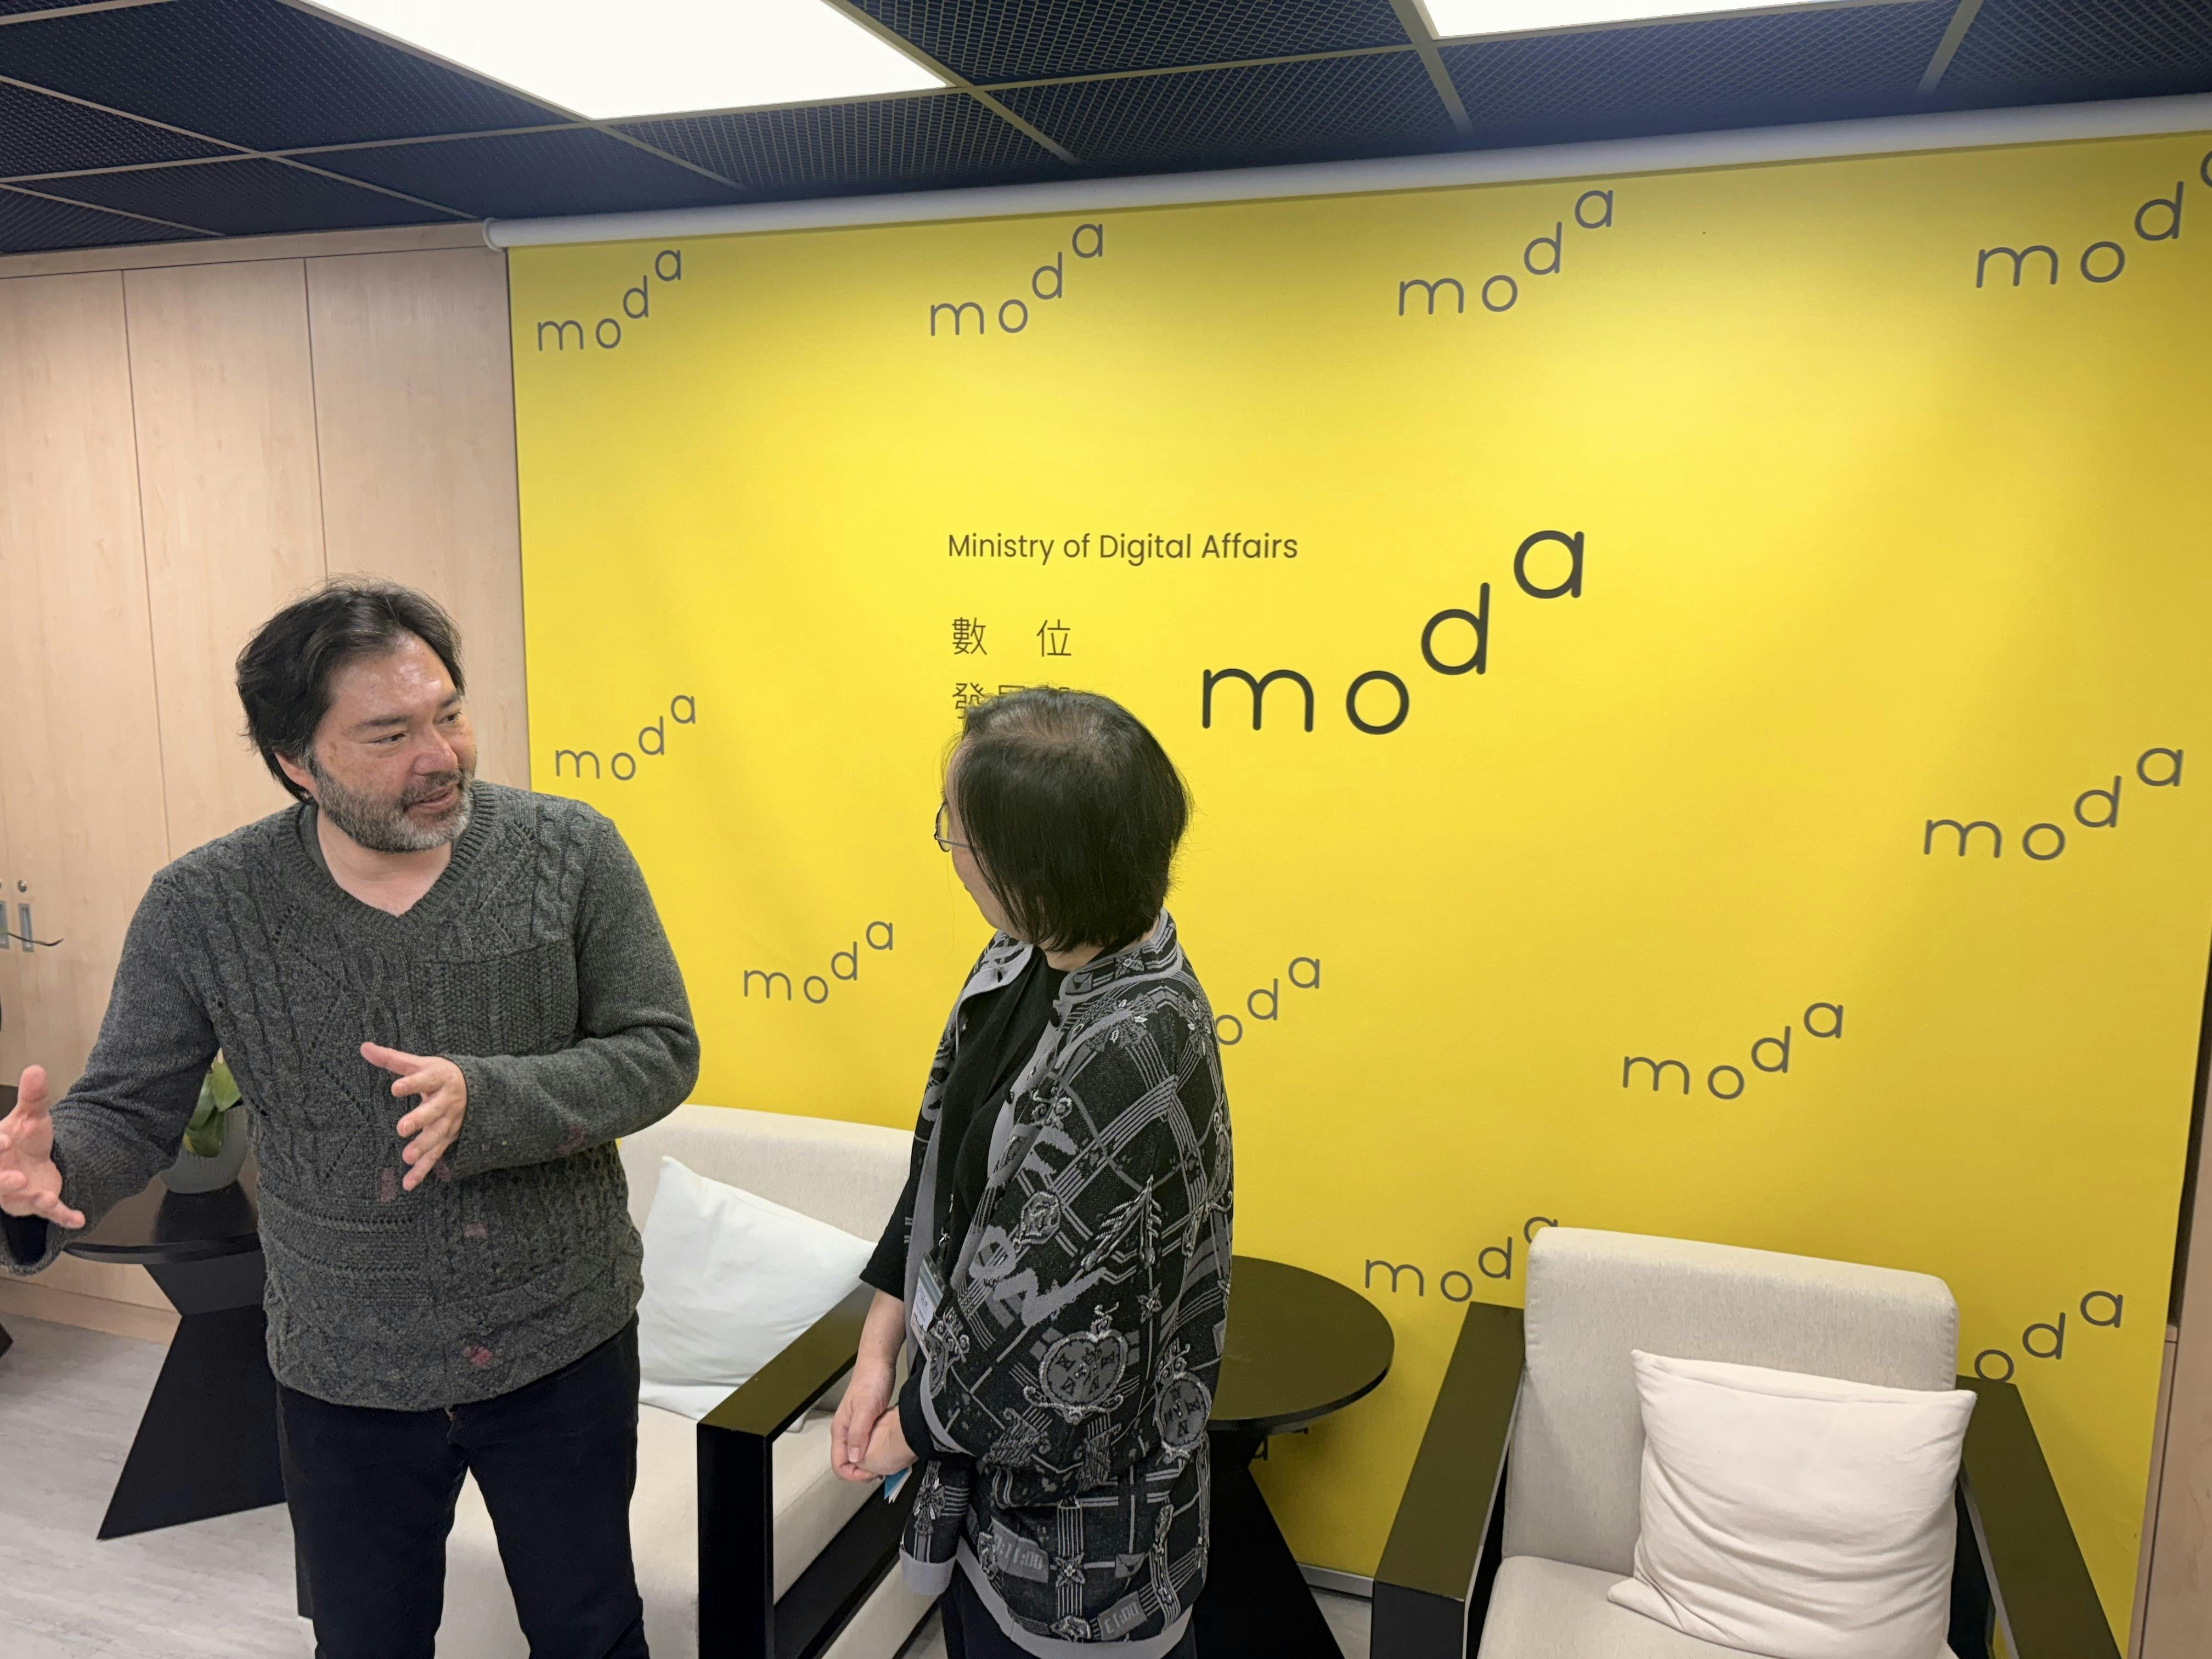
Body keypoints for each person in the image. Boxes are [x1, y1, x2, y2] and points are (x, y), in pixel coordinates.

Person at [0, 582, 698, 1659]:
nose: (442, 755)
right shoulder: (204, 906)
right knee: (365, 1642)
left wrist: (493, 1099)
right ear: (296, 761)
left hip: (561, 1340)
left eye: (448, 713)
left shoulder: (569, 851)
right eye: (389, 734)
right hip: (342, 1365)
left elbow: (659, 1049)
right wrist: (54, 1175)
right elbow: (127, 1111)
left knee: (592, 1630)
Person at [831, 688, 1232, 1658]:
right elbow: (941, 1170)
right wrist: (880, 1347)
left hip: (1080, 1551)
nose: (951, 853)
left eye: (959, 834)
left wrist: (904, 1430)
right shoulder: (1018, 958)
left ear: (1033, 874)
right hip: (973, 1482)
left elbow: (1049, 1338)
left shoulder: (1136, 1048)